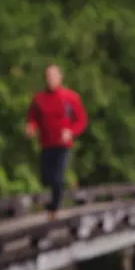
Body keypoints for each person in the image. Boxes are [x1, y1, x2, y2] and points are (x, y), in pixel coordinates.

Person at [26, 64, 88, 220]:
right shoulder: (39, 99)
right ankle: (51, 202)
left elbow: (81, 121)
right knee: (45, 177)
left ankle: (55, 207)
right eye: (48, 77)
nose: (50, 80)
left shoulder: (70, 98)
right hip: (46, 144)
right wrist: (31, 127)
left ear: (60, 78)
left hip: (63, 144)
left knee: (57, 177)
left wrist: (71, 131)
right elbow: (33, 118)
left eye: (53, 76)